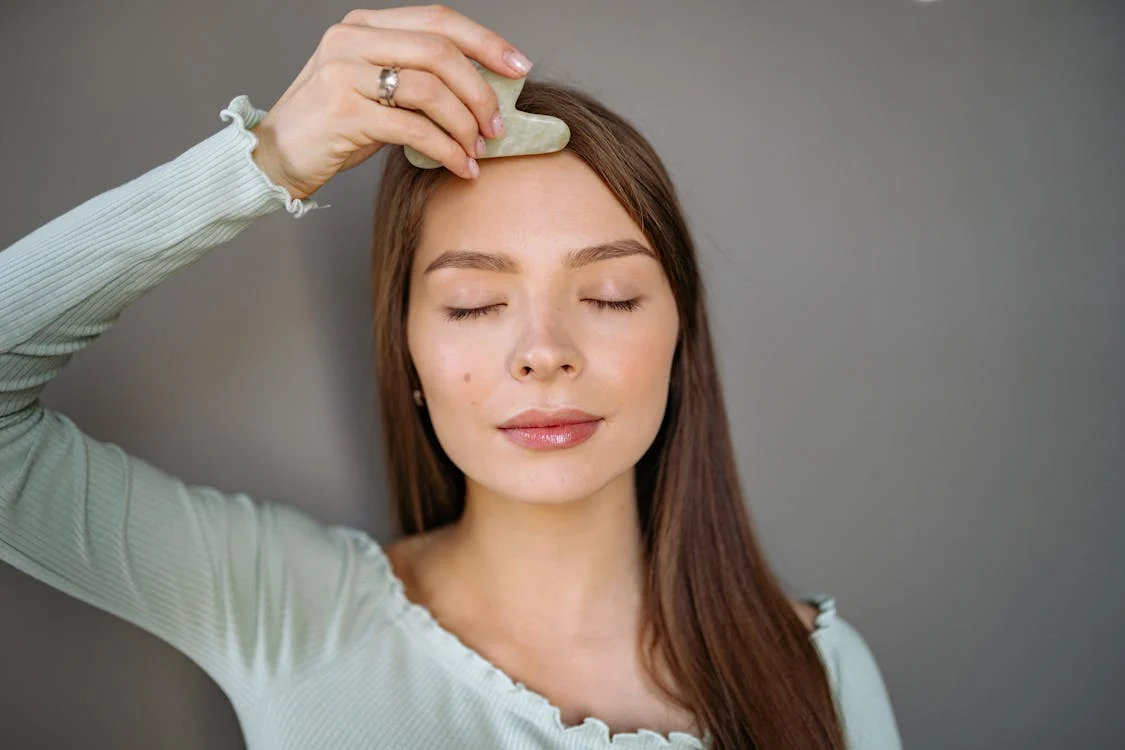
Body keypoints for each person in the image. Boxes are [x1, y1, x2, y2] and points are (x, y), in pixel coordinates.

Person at [0, 5, 902, 749]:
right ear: (410, 357)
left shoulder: (817, 673)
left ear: (679, 337)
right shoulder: (286, 610)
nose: (542, 350)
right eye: (473, 304)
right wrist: (262, 159)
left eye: (612, 296)